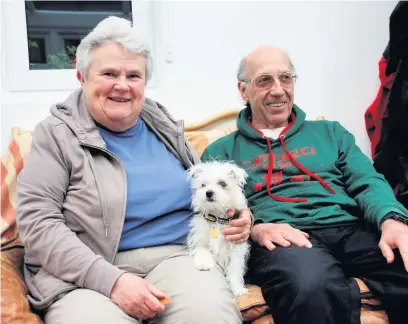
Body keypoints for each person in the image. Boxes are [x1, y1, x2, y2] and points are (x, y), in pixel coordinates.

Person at [16, 16, 252, 324]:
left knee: (210, 314)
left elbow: (208, 189)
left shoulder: (162, 122)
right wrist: (112, 281)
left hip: (177, 256)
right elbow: (38, 224)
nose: (122, 86)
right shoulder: (56, 134)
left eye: (134, 75)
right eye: (109, 73)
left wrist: (238, 215)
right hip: (86, 270)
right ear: (82, 77)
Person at [202, 45, 408, 324]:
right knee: (310, 286)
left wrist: (392, 219)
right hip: (282, 238)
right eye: (264, 80)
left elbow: (367, 181)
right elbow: (215, 211)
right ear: (243, 91)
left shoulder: (330, 132)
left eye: (285, 78)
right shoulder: (221, 151)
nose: (278, 90)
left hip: (350, 227)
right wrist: (255, 226)